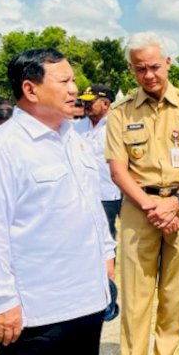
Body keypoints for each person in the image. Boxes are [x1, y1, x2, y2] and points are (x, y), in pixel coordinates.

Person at [0, 48, 116, 355]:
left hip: (87, 302)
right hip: (38, 312)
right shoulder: (1, 149)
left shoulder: (74, 141)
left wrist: (106, 255)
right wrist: (1, 301)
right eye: (63, 81)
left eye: (73, 79)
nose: (74, 89)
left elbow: (91, 208)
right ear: (30, 89)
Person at [105, 32, 179, 355]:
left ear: (167, 63)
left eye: (154, 66)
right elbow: (117, 169)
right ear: (131, 70)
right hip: (140, 209)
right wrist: (150, 204)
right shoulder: (120, 112)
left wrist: (177, 201)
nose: (149, 75)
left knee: (174, 293)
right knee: (136, 297)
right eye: (140, 69)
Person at [75, 84, 122, 242]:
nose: (86, 105)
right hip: (89, 191)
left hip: (115, 190)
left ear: (106, 104)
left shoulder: (117, 126)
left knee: (121, 236)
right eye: (84, 102)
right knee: (97, 238)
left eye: (91, 102)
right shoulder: (77, 127)